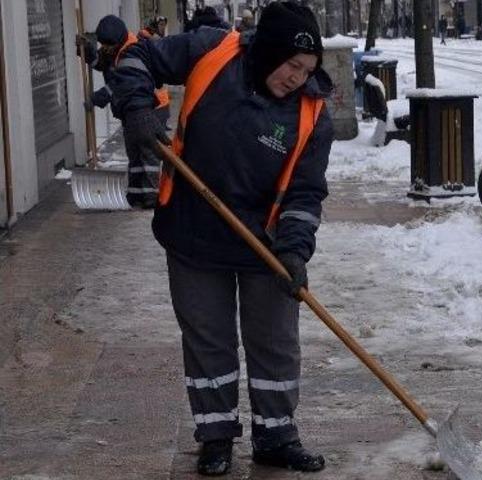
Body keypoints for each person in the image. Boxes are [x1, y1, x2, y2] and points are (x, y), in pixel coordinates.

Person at [110, 2, 334, 475]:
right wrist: (136, 108)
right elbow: (135, 55)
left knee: (274, 341)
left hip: (265, 244)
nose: (297, 77)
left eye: (307, 69)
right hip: (194, 229)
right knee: (208, 340)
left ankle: (276, 436)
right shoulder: (213, 50)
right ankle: (216, 437)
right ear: (270, 51)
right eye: (292, 65)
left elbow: (306, 192)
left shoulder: (313, 113)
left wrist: (294, 250)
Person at [76, 15, 170, 208]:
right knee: (135, 155)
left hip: (149, 110)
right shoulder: (117, 48)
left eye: (107, 45)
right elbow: (101, 63)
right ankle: (136, 196)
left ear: (117, 40)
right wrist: (87, 50)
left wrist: (97, 98)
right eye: (103, 45)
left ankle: (152, 198)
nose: (106, 49)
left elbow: (123, 85)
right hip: (132, 111)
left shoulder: (133, 53)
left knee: (148, 156)